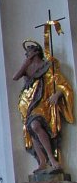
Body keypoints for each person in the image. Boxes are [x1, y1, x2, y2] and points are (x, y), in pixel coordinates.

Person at [13, 40, 74, 173]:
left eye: (28, 53)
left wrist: (57, 94)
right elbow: (15, 77)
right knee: (31, 129)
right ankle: (42, 161)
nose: (26, 55)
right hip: (30, 105)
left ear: (36, 53)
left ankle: (52, 158)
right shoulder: (28, 70)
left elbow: (62, 84)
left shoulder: (49, 66)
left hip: (45, 103)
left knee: (35, 125)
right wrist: (26, 62)